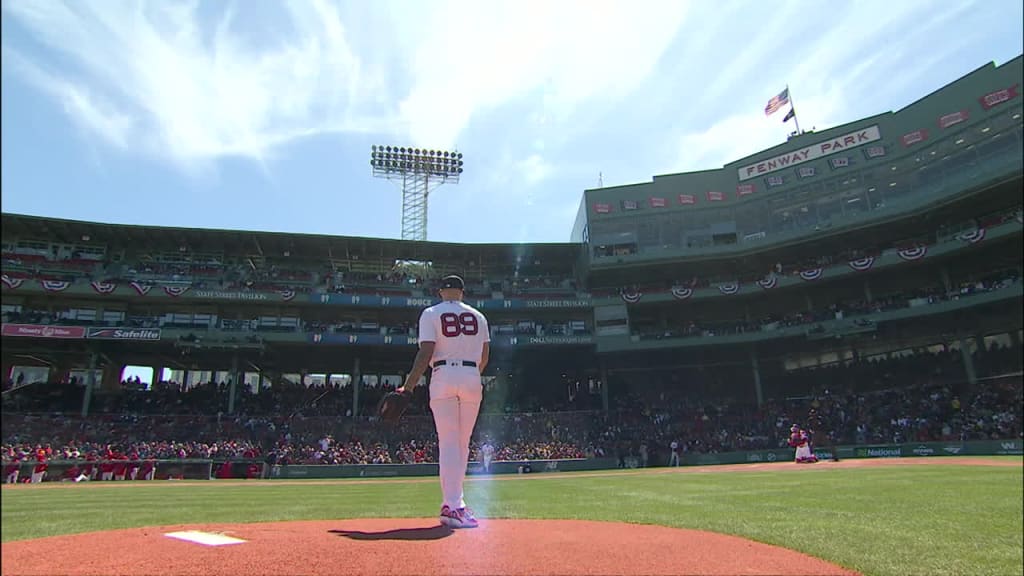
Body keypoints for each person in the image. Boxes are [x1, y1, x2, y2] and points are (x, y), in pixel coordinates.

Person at [398, 275, 490, 529]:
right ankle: (456, 504)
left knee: (448, 441)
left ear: (441, 292)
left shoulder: (430, 313)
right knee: (462, 444)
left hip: (443, 373)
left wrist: (409, 385)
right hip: (472, 375)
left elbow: (426, 350)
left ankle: (451, 505)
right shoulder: (478, 316)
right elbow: (485, 356)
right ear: (462, 291)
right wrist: (469, 375)